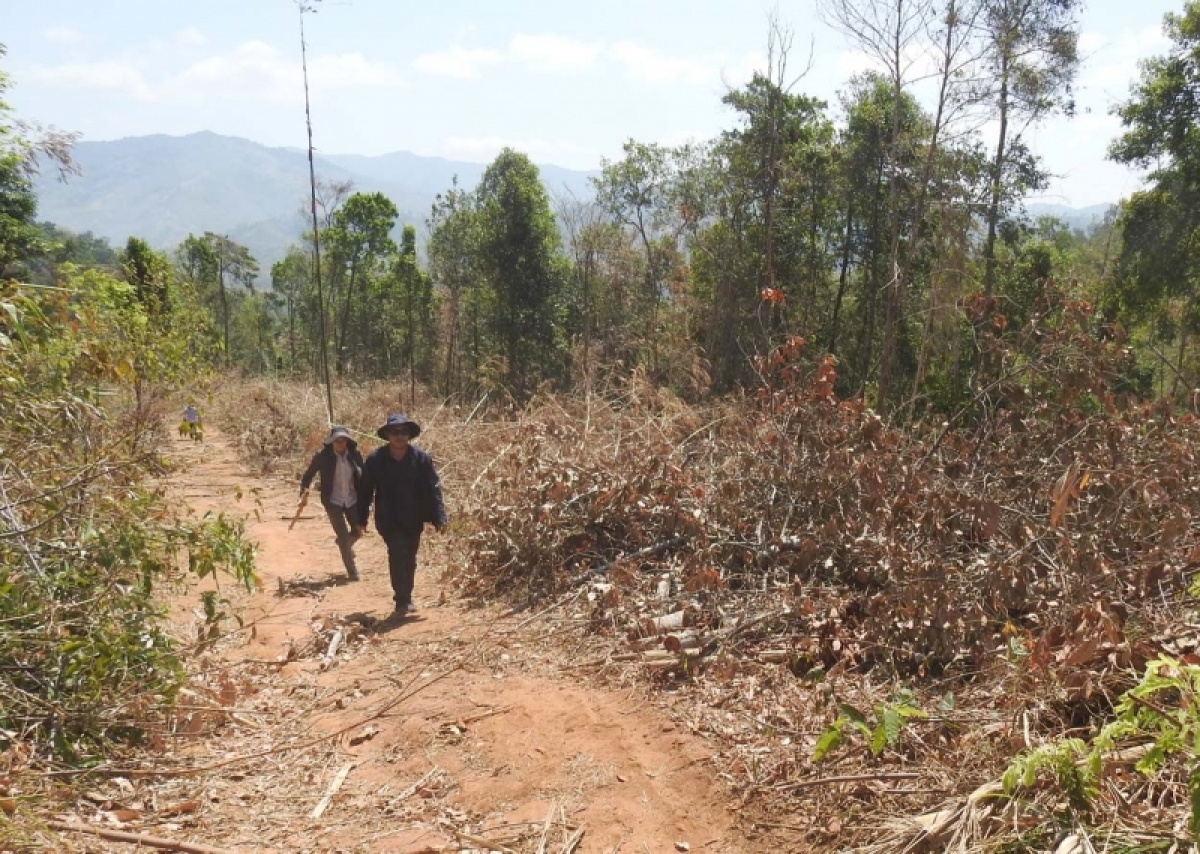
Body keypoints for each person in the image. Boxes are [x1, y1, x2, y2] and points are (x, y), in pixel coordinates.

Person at [354, 414, 447, 615]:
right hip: (388, 518)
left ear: (409, 434)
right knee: (397, 553)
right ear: (387, 434)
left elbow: (433, 488)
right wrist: (361, 519)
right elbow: (365, 491)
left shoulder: (421, 459)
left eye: (404, 432)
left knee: (410, 558)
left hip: (413, 516)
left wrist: (439, 516)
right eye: (395, 432)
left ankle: (407, 595)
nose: (399, 436)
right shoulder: (375, 459)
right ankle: (401, 599)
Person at [300, 426, 365, 581]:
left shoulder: (354, 455)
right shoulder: (322, 456)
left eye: (343, 440)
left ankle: (344, 545)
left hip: (352, 499)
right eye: (337, 440)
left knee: (358, 530)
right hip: (332, 500)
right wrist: (303, 492)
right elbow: (309, 474)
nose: (340, 443)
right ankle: (352, 572)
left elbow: (364, 473)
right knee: (343, 536)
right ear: (332, 442)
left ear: (347, 442)